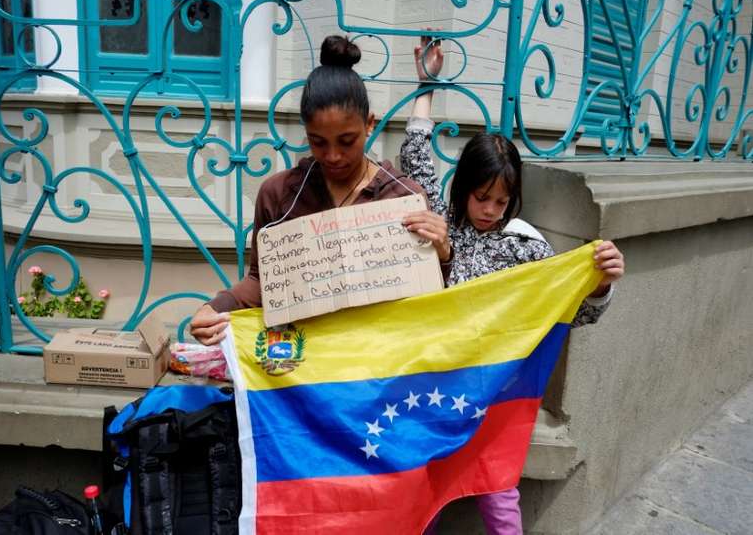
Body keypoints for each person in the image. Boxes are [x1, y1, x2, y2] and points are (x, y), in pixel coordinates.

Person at [403, 37, 625, 534]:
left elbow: (570, 312)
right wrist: (426, 87)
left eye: (501, 201)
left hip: (494, 396)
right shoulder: (441, 220)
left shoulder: (526, 246)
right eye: (481, 197)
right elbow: (416, 157)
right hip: (436, 386)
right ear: (464, 189)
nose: (490, 209)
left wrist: (599, 285)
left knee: (498, 489)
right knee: (424, 488)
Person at [189, 35, 452, 344]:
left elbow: (428, 301)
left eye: (346, 141)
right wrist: (215, 308)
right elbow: (263, 281)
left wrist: (443, 253)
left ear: (369, 124)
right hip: (302, 357)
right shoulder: (280, 194)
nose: (333, 156)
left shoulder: (403, 197)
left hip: (377, 357)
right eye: (318, 142)